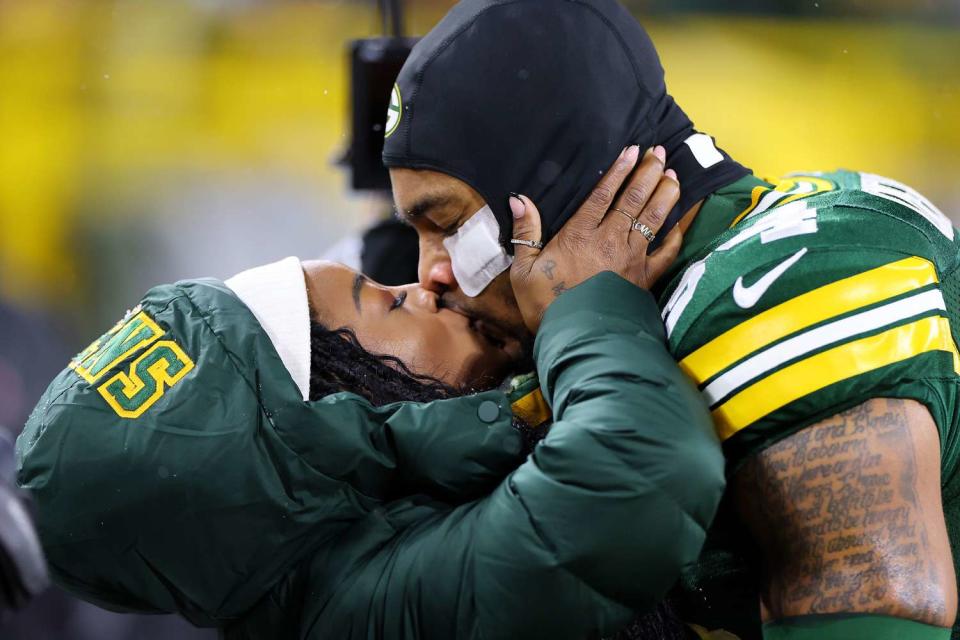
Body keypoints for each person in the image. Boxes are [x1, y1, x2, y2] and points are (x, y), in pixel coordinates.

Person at [381, 1, 960, 639]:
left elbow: (877, 623)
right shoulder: (648, 312)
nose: (430, 272)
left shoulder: (778, 285)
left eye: (449, 226)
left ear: (553, 187)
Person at [16, 158, 725, 639]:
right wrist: (592, 305)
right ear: (329, 411)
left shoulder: (334, 558)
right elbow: (640, 470)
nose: (427, 283)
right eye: (386, 303)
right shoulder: (370, 607)